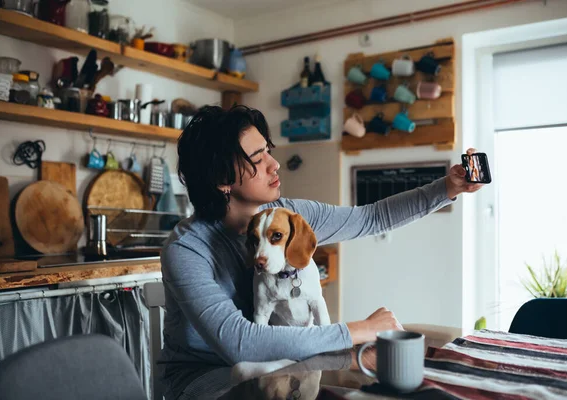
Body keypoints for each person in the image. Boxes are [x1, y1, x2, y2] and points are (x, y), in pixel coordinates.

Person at [159, 105, 483, 399]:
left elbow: (372, 218)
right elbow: (240, 343)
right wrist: (357, 331)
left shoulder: (288, 216)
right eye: (258, 159)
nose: (275, 164)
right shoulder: (187, 249)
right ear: (221, 181)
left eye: (268, 151)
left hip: (282, 368)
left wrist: (448, 187)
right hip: (204, 383)